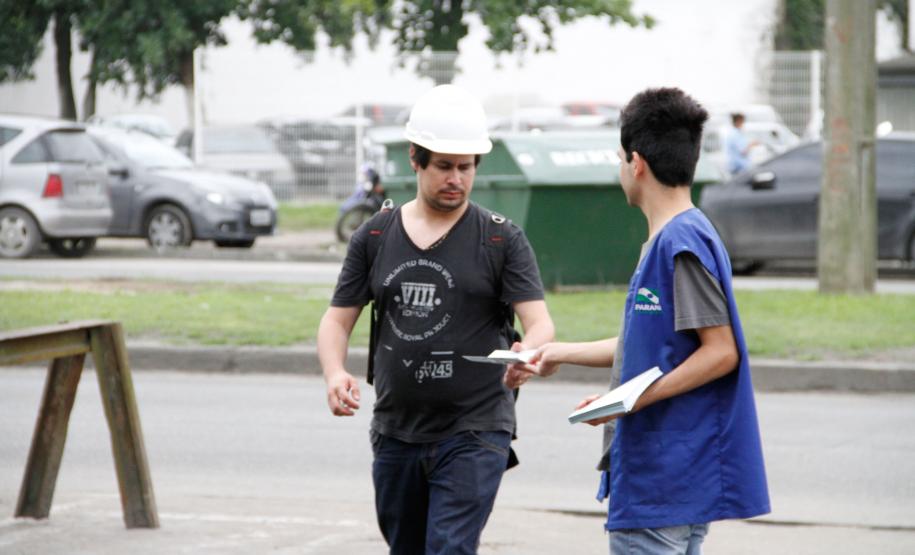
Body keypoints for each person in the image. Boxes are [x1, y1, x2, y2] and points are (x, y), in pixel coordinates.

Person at [510, 88, 770, 554]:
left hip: (661, 483)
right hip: (672, 486)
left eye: (618, 159)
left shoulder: (681, 241)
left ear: (636, 163)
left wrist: (626, 400)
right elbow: (655, 342)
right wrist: (557, 353)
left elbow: (720, 351)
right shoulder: (677, 235)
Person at [317, 84, 555, 555]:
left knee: (449, 547)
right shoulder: (375, 235)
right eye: (444, 166)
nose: (456, 179)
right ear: (415, 159)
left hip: (477, 427)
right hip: (396, 430)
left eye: (465, 167)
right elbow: (336, 321)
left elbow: (540, 322)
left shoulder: (501, 239)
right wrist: (334, 372)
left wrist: (528, 353)